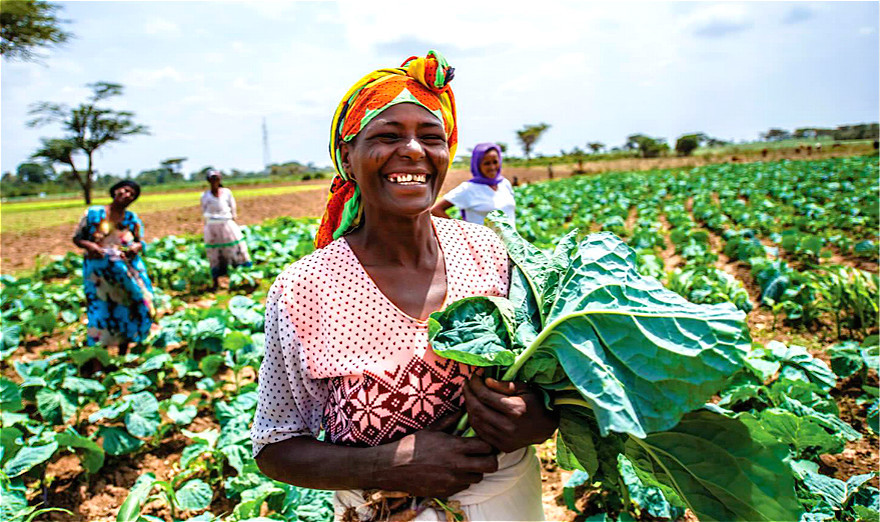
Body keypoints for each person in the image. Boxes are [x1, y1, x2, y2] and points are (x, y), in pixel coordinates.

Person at [251, 51, 556, 522]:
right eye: (388, 136)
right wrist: (385, 465)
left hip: (509, 503)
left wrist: (540, 416)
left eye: (431, 137)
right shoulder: (304, 288)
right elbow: (275, 447)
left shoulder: (489, 253)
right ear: (348, 159)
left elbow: (547, 375)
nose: (414, 150)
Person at [72, 180, 154, 355]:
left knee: (130, 305)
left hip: (126, 270)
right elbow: (78, 238)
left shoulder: (132, 219)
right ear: (115, 190)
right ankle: (99, 353)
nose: (127, 195)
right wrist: (91, 246)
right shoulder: (94, 213)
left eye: (132, 194)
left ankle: (123, 351)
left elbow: (140, 242)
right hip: (98, 272)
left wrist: (135, 248)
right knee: (101, 308)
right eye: (124, 190)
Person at [430, 142, 516, 225]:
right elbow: (436, 210)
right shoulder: (468, 188)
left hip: (510, 240)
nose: (492, 167)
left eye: (495, 162)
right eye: (487, 163)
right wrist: (460, 230)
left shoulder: (504, 184)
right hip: (483, 239)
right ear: (477, 165)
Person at [200, 170, 252, 290]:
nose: (214, 181)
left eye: (216, 178)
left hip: (227, 224)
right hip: (212, 226)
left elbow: (233, 208)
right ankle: (216, 281)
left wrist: (232, 219)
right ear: (208, 181)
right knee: (214, 253)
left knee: (236, 248)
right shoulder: (205, 196)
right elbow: (204, 211)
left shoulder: (226, 192)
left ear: (220, 180)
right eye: (212, 179)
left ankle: (242, 278)